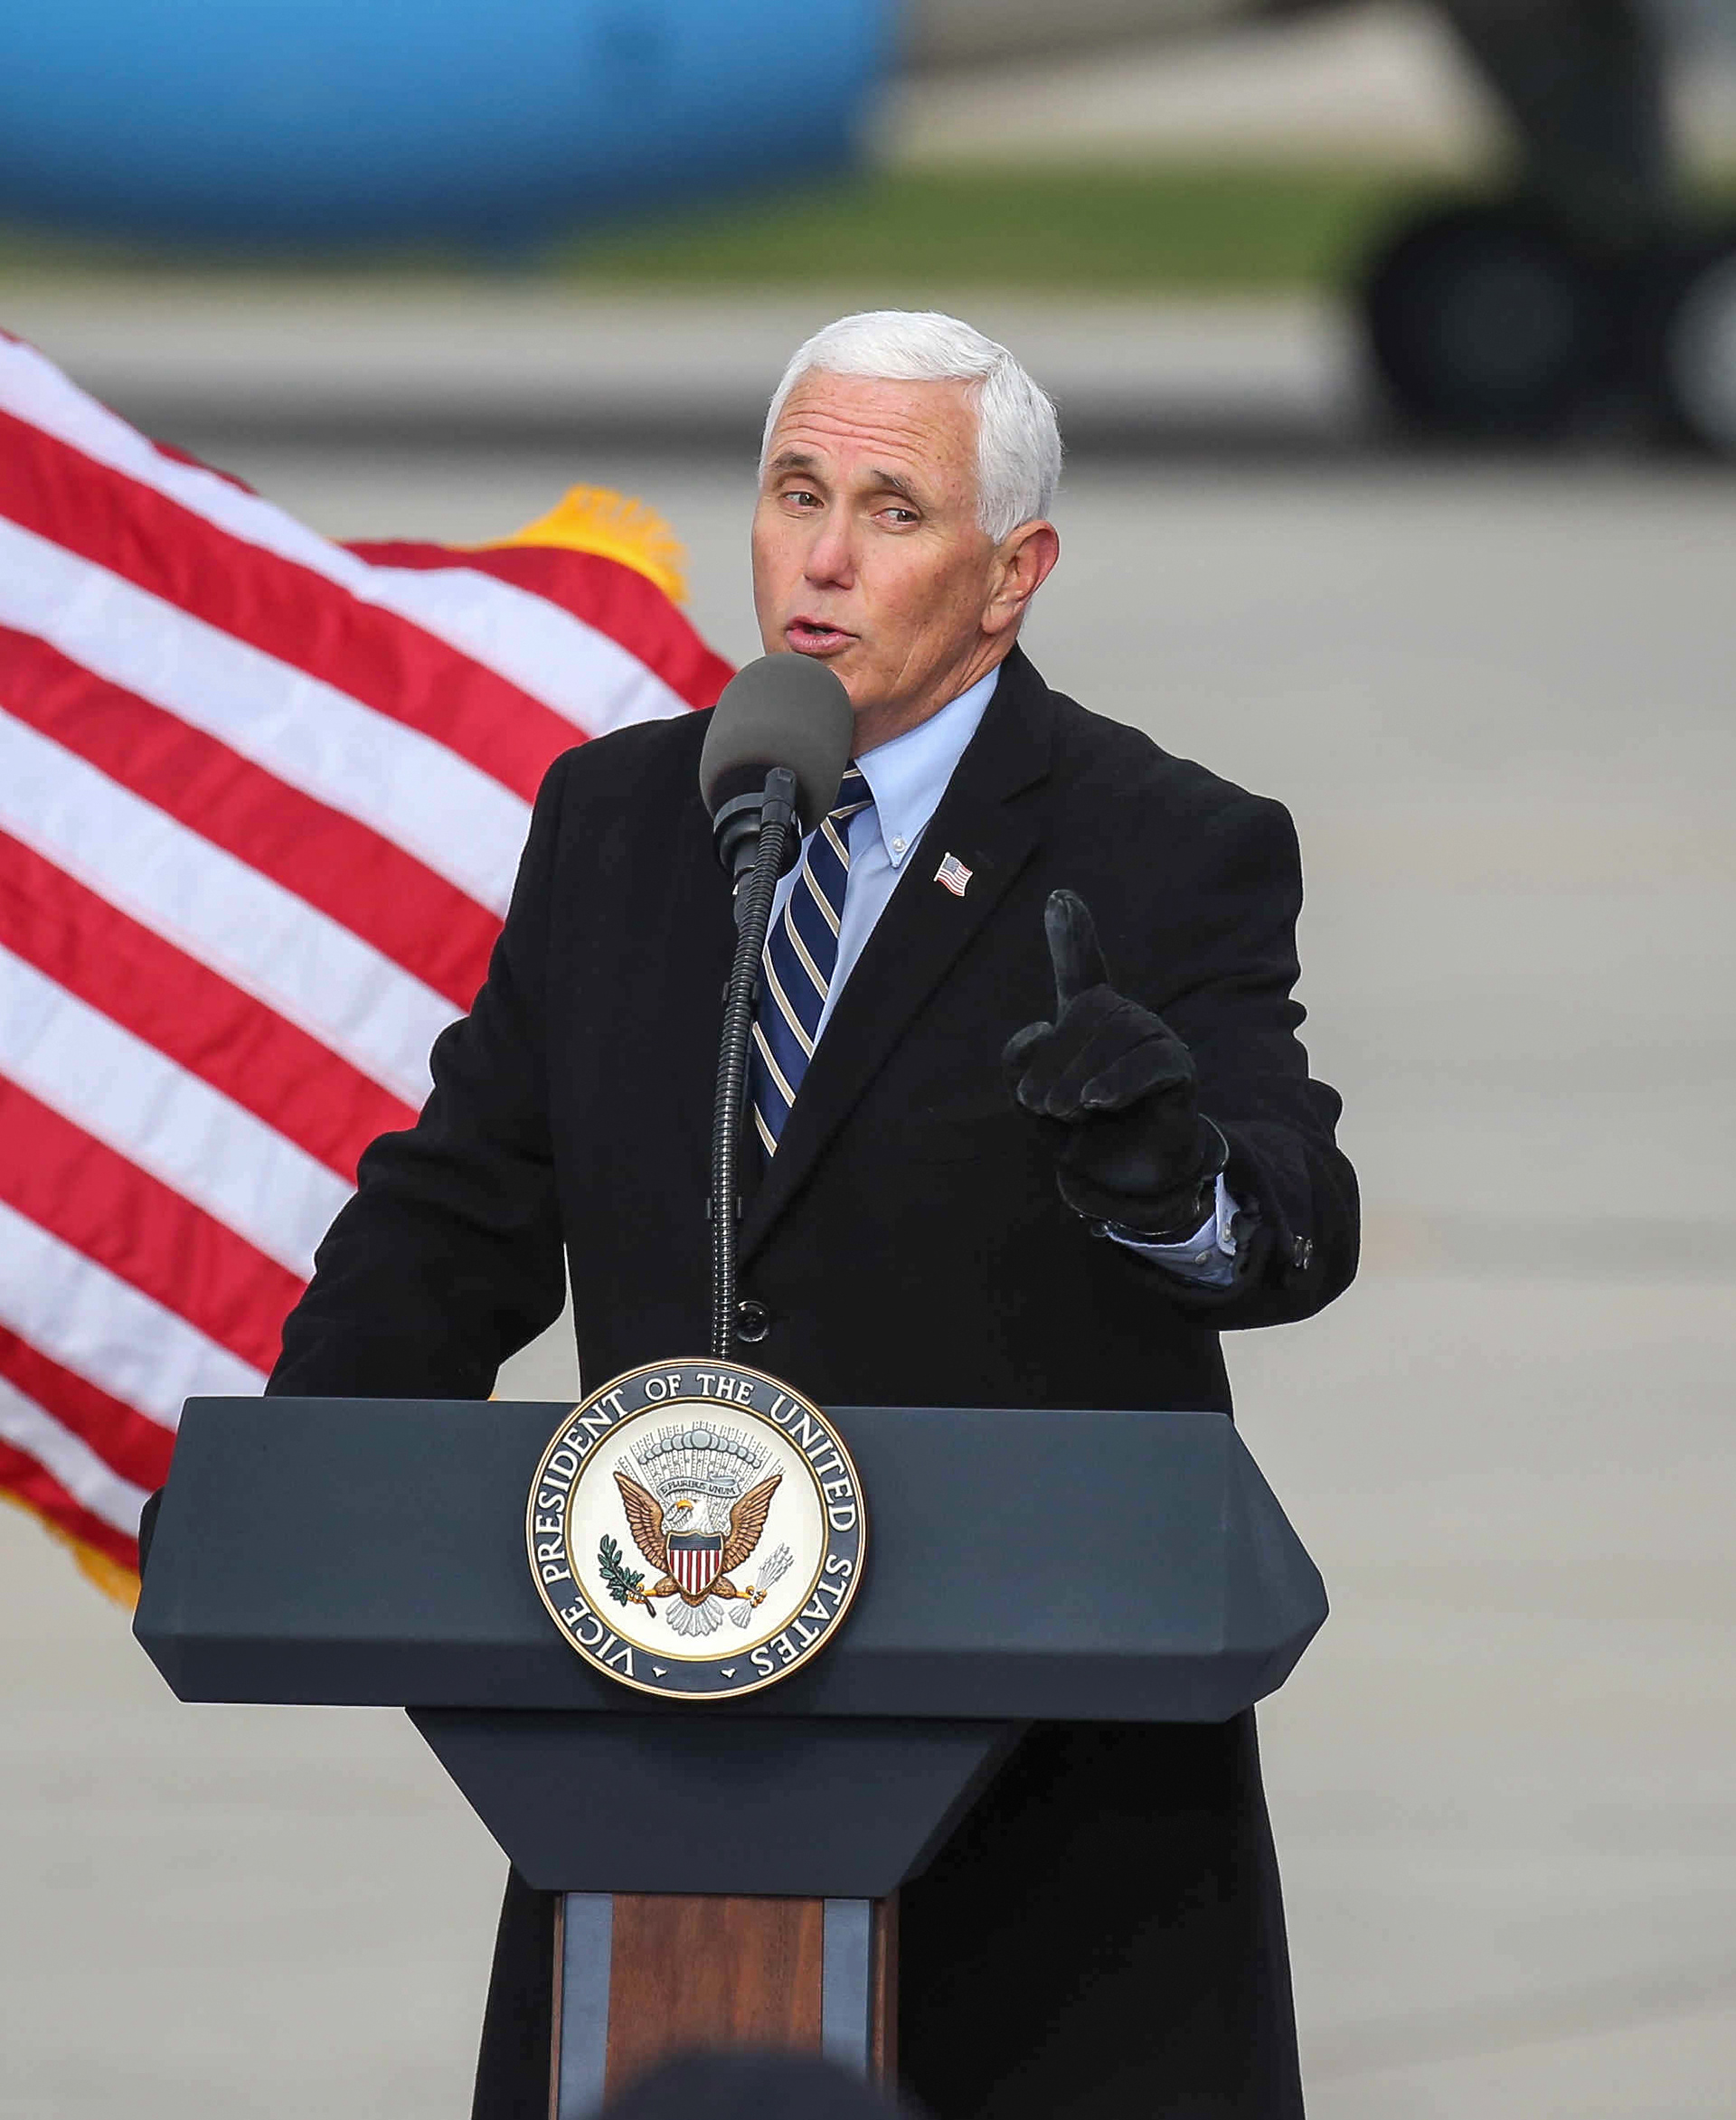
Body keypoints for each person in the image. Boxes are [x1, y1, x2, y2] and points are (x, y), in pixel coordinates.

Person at [270, 310, 1359, 2118]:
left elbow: (1289, 1226)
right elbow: (461, 1206)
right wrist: (296, 1479)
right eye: (795, 494)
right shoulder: (628, 816)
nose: (826, 556)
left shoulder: (1166, 840)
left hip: (1053, 1790)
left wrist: (1168, 1182)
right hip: (668, 1738)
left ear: (1012, 575)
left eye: (891, 509)